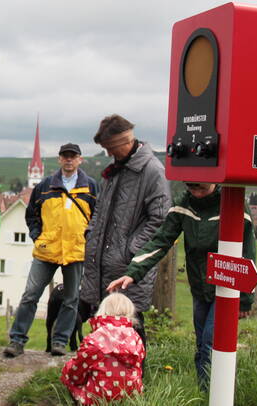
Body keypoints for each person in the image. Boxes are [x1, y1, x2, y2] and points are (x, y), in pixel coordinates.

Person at [108, 183, 256, 389]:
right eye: (192, 188)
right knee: (201, 343)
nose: (197, 193)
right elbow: (160, 241)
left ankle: (212, 391)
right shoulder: (183, 205)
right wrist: (133, 273)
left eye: (202, 189)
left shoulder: (233, 204)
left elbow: (248, 254)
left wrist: (245, 300)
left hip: (226, 288)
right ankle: (204, 390)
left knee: (211, 343)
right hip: (199, 285)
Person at [80, 114, 171, 353]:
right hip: (100, 263)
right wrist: (91, 234)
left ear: (125, 141)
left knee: (130, 326)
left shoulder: (153, 171)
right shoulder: (115, 171)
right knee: (102, 327)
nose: (109, 153)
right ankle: (103, 378)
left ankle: (134, 380)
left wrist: (130, 249)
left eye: (111, 148)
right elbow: (100, 209)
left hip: (128, 267)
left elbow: (161, 219)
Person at [4, 143, 97, 358]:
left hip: (75, 251)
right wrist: (38, 237)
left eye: (73, 156)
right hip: (47, 250)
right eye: (65, 156)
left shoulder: (91, 187)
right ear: (59, 159)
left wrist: (88, 239)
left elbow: (97, 216)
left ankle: (60, 342)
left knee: (71, 299)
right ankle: (17, 340)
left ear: (80, 160)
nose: (69, 160)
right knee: (30, 295)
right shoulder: (45, 186)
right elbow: (31, 215)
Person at [60, 292, 144, 405]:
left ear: (102, 311)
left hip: (100, 399)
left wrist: (69, 372)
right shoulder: (135, 337)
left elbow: (77, 371)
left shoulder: (95, 339)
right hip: (132, 396)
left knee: (70, 373)